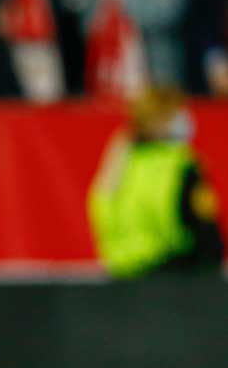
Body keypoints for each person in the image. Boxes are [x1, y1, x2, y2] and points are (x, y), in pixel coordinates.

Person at [88, 86, 224, 278]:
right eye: (177, 114)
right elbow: (205, 230)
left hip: (121, 276)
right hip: (174, 275)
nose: (184, 119)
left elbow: (100, 210)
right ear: (161, 121)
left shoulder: (117, 164)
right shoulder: (179, 165)